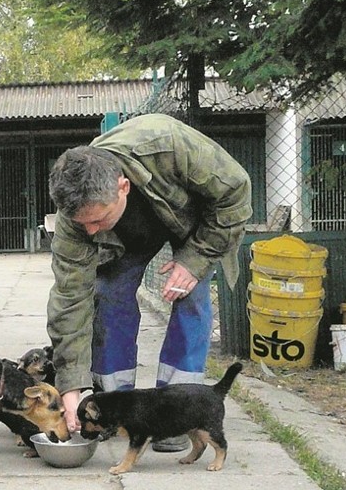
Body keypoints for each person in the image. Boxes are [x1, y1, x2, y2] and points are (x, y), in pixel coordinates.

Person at [46, 114, 252, 445]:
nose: (90, 231)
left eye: (98, 220)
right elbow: (70, 299)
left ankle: (179, 412)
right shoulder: (76, 220)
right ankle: (115, 408)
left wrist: (195, 260)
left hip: (195, 227)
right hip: (126, 242)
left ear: (122, 187)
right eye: (82, 224)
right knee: (109, 295)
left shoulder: (168, 145)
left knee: (192, 297)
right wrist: (71, 384)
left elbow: (236, 193)